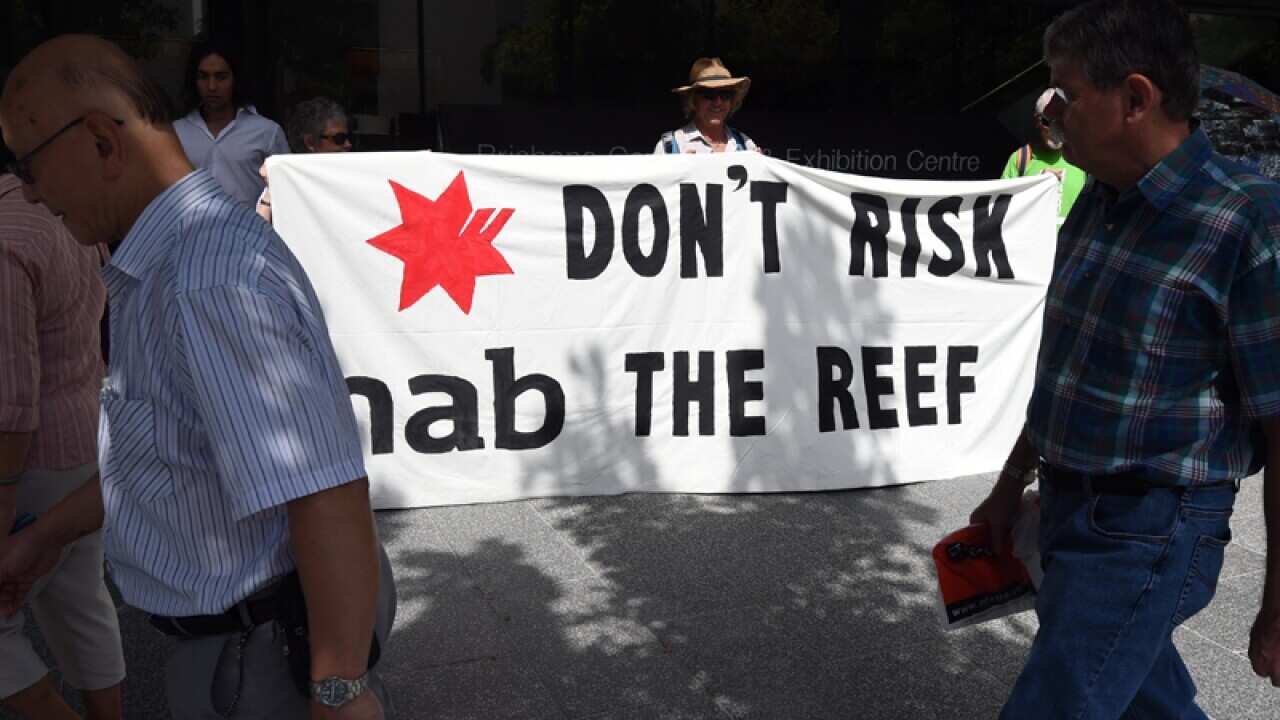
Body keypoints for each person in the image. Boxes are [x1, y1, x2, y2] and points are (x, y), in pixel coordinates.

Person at [0, 35, 395, 719]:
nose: (29, 194)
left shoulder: (206, 279)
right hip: (236, 651)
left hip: (259, 661)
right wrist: (44, 537)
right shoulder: (170, 265)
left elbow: (324, 488)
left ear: (99, 139)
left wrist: (340, 692)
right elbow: (171, 454)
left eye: (28, 165)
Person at [969, 1, 1280, 717]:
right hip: (1068, 513)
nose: (1051, 114)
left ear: (1134, 98)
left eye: (1066, 95)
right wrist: (1008, 485)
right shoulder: (1097, 202)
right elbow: (1065, 372)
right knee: (1145, 699)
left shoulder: (1248, 221)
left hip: (1153, 529)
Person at [0, 170, 124, 719]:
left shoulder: (8, 237)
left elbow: (11, 403)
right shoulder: (60, 207)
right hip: (83, 439)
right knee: (82, 603)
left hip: (26, 463)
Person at [173, 37, 289, 206]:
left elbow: (285, 192)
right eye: (203, 77)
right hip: (194, 230)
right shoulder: (177, 133)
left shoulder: (266, 132)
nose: (212, 86)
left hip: (251, 230)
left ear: (235, 79)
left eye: (221, 77)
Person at [1000, 88, 1087, 229]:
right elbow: (1001, 209)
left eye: (1061, 121)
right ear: (1037, 120)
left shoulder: (1084, 157)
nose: (1055, 129)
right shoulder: (1021, 158)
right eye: (1047, 122)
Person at [257, 96, 353, 223]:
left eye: (347, 137)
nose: (348, 144)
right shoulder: (286, 182)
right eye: (339, 138)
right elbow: (260, 229)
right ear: (310, 142)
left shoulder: (354, 178)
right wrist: (272, 188)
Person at [655, 57, 759, 154]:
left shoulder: (746, 145)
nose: (718, 102)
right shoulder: (669, 147)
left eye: (725, 94)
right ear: (693, 100)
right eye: (709, 94)